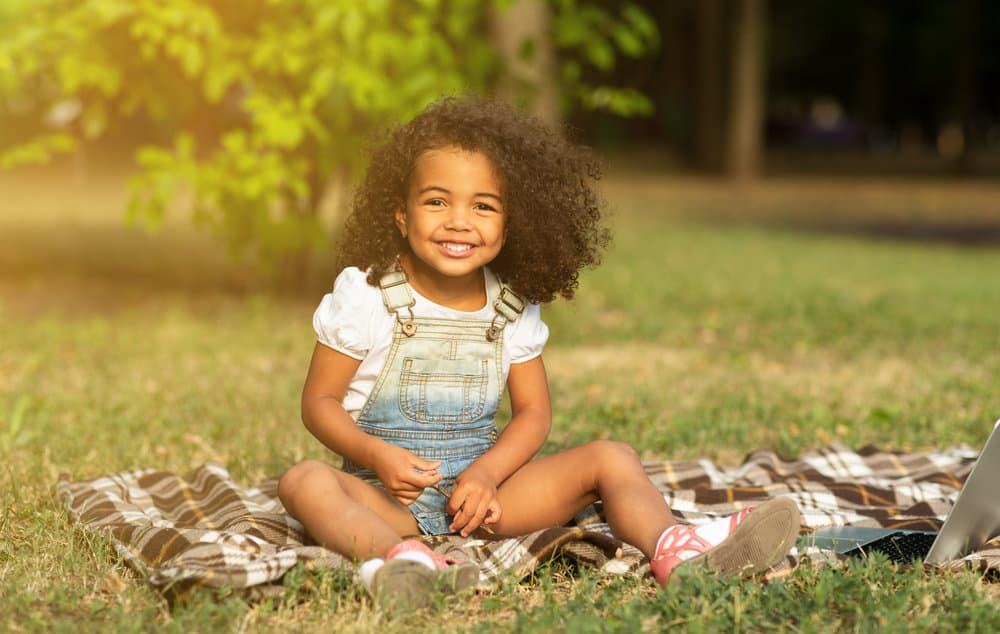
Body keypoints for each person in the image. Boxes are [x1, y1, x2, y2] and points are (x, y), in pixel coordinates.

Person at [277, 96, 801, 609]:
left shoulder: (509, 309)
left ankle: (676, 551)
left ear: (510, 225)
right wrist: (375, 455)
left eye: (483, 206)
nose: (459, 221)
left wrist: (485, 475)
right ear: (400, 215)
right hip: (388, 501)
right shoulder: (367, 296)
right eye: (437, 201)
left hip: (486, 501)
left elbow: (533, 412)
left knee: (611, 457)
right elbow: (319, 401)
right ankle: (403, 565)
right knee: (303, 481)